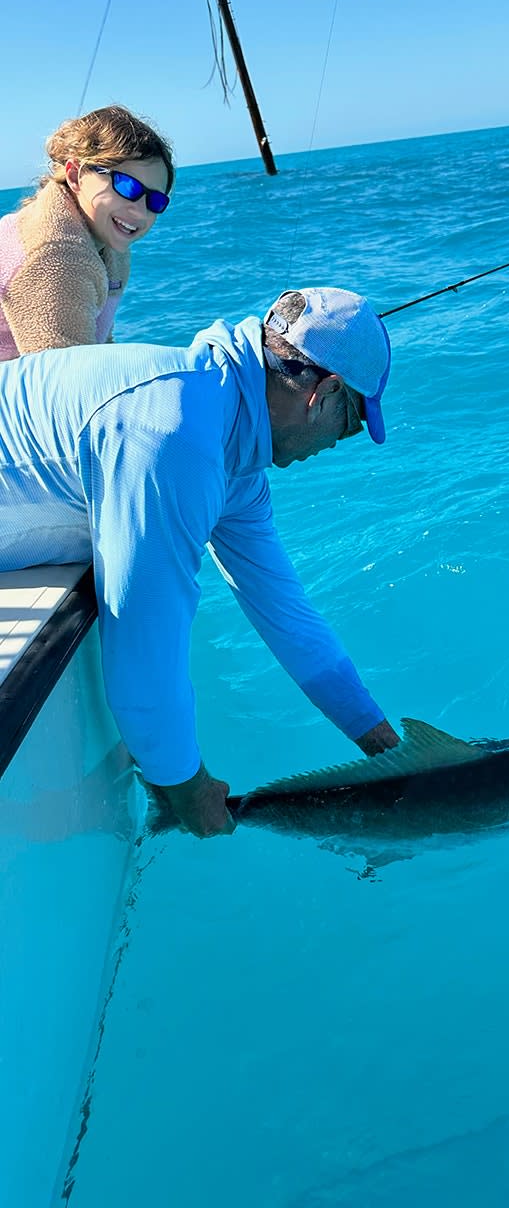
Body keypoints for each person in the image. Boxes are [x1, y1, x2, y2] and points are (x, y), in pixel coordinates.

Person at [0, 286, 400, 836]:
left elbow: (287, 614)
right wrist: (185, 785)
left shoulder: (230, 447)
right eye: (352, 424)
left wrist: (388, 749)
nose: (339, 442)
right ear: (325, 394)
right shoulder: (175, 438)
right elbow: (143, 639)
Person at [0, 104, 174, 360]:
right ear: (74, 175)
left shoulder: (109, 243)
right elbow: (66, 385)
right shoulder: (56, 259)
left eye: (155, 200)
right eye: (126, 186)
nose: (140, 211)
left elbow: (98, 344)